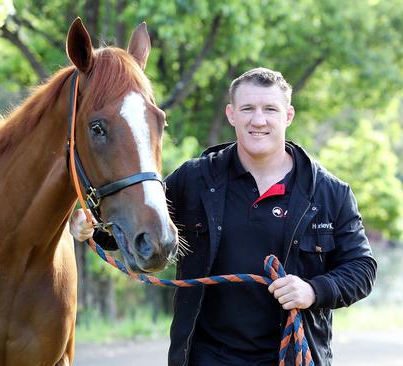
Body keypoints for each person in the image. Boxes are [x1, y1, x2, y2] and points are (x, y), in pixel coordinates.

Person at [69, 67, 377, 366]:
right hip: (207, 357)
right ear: (231, 114)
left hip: (292, 355)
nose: (258, 120)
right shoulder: (194, 180)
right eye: (247, 109)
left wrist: (313, 291)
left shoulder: (329, 193)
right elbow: (142, 223)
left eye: (270, 109)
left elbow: (362, 269)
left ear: (288, 115)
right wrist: (93, 227)